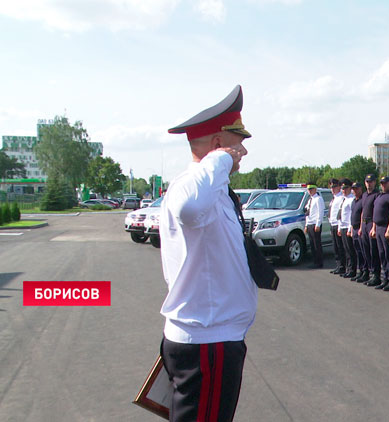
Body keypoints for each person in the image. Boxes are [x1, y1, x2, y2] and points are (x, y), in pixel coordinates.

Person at [160, 85, 257, 422]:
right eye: (237, 141)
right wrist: (220, 159)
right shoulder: (190, 186)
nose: (243, 150)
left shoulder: (212, 190)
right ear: (218, 144)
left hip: (215, 340)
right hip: (207, 345)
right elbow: (189, 208)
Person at [371, 176, 389, 291]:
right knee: (382, 254)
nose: (383, 185)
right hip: (378, 227)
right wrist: (374, 228)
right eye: (381, 183)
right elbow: (375, 214)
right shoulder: (379, 196)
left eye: (385, 183)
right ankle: (385, 278)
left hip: (386, 227)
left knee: (388, 255)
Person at [361, 174, 382, 286]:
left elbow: (375, 213)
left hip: (371, 223)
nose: (369, 184)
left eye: (371, 181)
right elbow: (363, 211)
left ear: (374, 182)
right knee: (366, 250)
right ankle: (369, 271)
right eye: (367, 181)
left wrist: (373, 227)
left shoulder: (376, 195)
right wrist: (360, 227)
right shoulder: (364, 195)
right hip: (364, 223)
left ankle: (376, 275)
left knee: (374, 251)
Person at [338, 179, 357, 278]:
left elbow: (351, 216)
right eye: (342, 188)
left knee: (350, 250)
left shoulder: (351, 199)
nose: (343, 190)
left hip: (348, 227)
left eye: (345, 188)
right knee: (345, 249)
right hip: (343, 226)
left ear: (350, 188)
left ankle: (352, 270)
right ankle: (347, 268)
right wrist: (339, 228)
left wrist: (350, 229)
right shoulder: (344, 199)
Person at [349, 182, 367, 282]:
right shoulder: (354, 201)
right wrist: (352, 229)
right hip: (354, 228)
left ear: (361, 189)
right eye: (353, 189)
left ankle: (365, 272)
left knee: (362, 251)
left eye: (357, 189)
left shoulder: (362, 200)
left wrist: (361, 227)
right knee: (357, 251)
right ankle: (360, 271)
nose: (355, 191)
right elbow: (352, 216)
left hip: (360, 229)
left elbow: (363, 215)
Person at [304, 183, 325, 268]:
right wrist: (306, 225)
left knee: (317, 244)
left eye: (311, 189)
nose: (310, 191)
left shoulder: (318, 199)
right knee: (312, 244)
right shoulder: (310, 200)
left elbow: (320, 212)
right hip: (310, 223)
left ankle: (319, 262)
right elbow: (307, 213)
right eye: (308, 189)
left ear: (315, 189)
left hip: (315, 224)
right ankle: (315, 261)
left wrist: (318, 224)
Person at [329, 179, 346, 274]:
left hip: (338, 224)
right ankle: (338, 265)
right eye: (331, 187)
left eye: (334, 186)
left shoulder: (341, 198)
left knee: (340, 247)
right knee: (335, 247)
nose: (332, 189)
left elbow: (340, 213)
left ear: (339, 187)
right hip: (333, 224)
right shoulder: (334, 198)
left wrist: (338, 225)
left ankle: (343, 266)